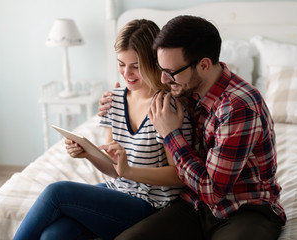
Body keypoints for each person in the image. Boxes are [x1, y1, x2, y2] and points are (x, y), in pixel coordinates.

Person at [99, 15, 286, 240]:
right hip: (194, 205)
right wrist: (116, 100)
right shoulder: (185, 91)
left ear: (204, 65)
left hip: (245, 209)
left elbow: (213, 192)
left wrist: (171, 135)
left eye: (171, 72)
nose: (164, 79)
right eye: (161, 68)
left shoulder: (238, 107)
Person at [13, 19, 192, 240]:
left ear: (154, 62)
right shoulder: (114, 100)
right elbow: (113, 169)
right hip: (116, 191)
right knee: (53, 235)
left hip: (151, 204)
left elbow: (179, 176)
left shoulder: (167, 108)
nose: (127, 74)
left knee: (57, 192)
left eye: (135, 66)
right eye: (121, 64)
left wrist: (128, 171)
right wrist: (87, 153)